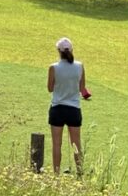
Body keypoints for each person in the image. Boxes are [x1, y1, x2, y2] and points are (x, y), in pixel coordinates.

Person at [47, 37, 89, 175]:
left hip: (57, 108)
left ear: (58, 51)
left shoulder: (53, 67)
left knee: (57, 144)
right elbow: (82, 88)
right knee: (76, 144)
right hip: (74, 109)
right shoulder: (79, 66)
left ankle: (56, 174)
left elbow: (50, 88)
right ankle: (80, 172)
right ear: (71, 50)